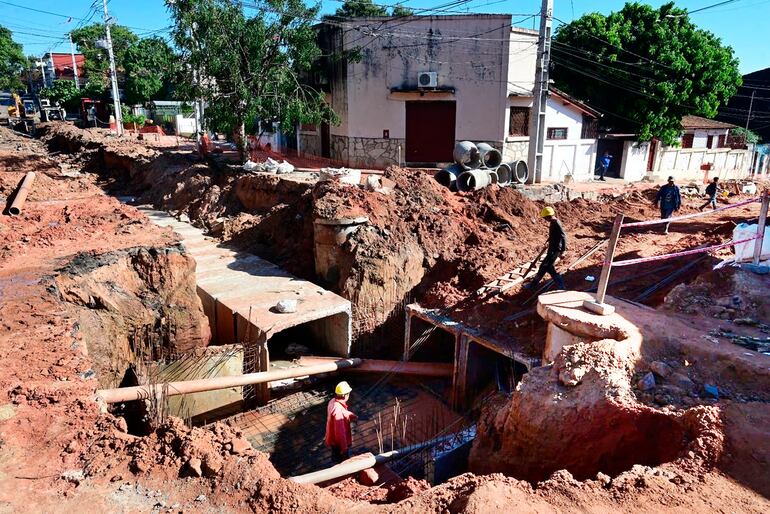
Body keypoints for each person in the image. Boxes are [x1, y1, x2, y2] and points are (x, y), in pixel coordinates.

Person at [525, 206, 567, 291]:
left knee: (545, 266)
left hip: (555, 250)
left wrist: (563, 250)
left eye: (545, 218)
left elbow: (563, 236)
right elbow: (553, 234)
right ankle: (559, 285)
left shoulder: (556, 223)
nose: (545, 219)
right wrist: (548, 241)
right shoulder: (553, 222)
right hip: (552, 248)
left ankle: (534, 285)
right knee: (547, 267)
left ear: (548, 216)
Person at [324, 381, 358, 463]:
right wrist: (344, 449)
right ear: (345, 395)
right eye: (348, 394)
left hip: (331, 438)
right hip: (338, 443)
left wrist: (351, 415)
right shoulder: (338, 411)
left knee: (335, 455)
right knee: (341, 461)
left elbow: (342, 411)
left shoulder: (333, 401)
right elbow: (340, 433)